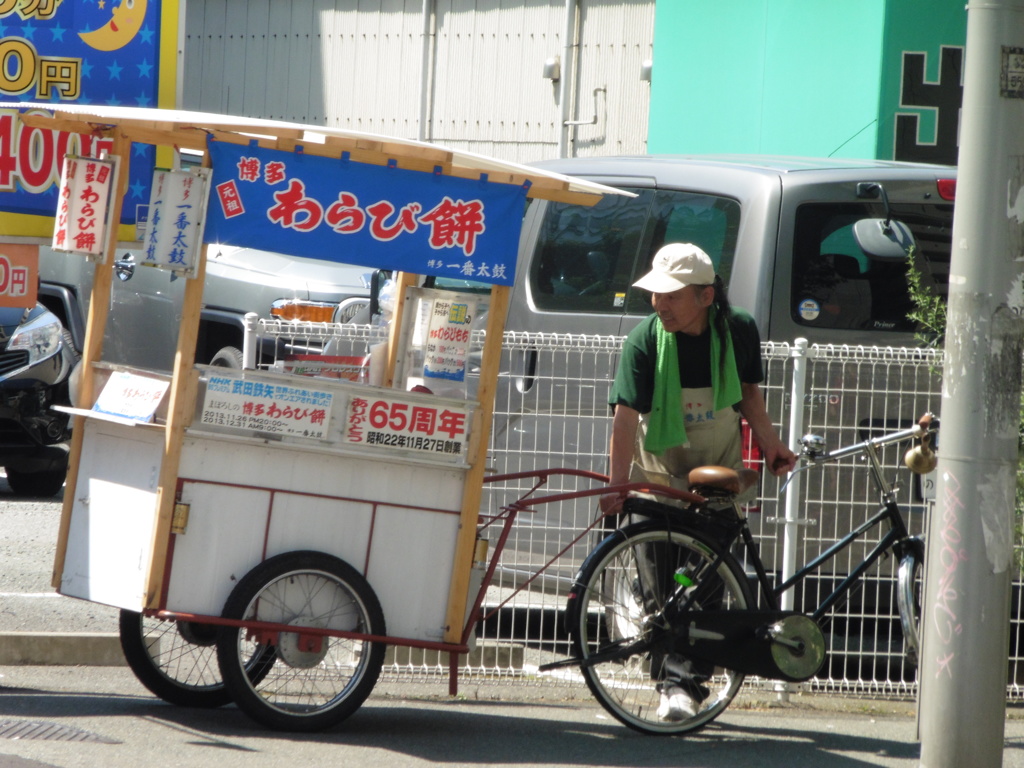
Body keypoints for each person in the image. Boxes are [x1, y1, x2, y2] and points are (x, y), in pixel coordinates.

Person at [599, 242, 797, 722]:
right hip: (658, 475)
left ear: (706, 297)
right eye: (655, 294)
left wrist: (771, 442)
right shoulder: (645, 341)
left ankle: (686, 684)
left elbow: (748, 392)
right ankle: (670, 682)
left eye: (671, 296)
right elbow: (625, 419)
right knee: (660, 590)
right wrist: (616, 484)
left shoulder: (738, 331)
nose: (659, 305)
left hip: (716, 471)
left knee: (704, 588)